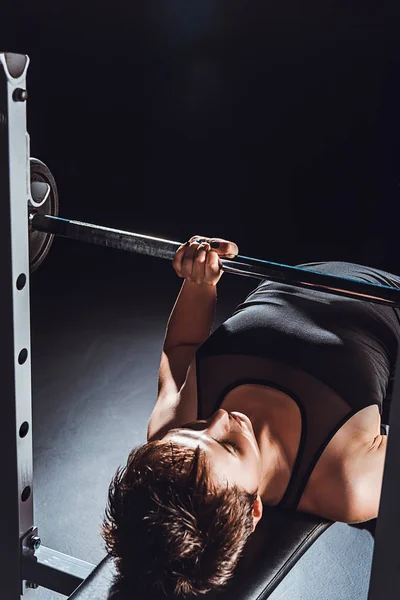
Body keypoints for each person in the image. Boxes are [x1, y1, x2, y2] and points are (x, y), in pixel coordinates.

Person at [101, 235, 399, 598]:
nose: (221, 418)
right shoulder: (347, 481)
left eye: (196, 427)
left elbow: (181, 348)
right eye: (228, 446)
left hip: (291, 265)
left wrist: (199, 282)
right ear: (254, 508)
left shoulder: (169, 431)